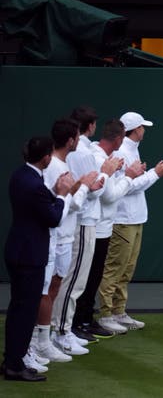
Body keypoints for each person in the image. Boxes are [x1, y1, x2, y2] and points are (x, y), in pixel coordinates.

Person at [97, 111, 163, 332]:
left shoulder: (132, 149)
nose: (145, 130)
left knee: (127, 269)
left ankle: (118, 311)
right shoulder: (122, 152)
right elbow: (126, 186)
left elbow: (133, 182)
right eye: (142, 127)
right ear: (135, 130)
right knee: (114, 268)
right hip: (122, 219)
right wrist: (156, 173)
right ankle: (105, 315)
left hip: (135, 217)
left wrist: (150, 173)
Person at [2, 136, 72, 381]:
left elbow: (38, 204)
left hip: (19, 251)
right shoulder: (32, 184)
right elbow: (53, 218)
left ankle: (12, 359)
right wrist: (62, 194)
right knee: (25, 310)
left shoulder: (21, 176)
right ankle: (14, 364)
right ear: (45, 158)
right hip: (29, 256)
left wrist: (53, 192)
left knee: (18, 308)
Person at [31, 118, 100, 366]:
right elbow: (67, 204)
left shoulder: (60, 164)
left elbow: (66, 198)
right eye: (77, 138)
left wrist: (81, 186)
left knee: (53, 287)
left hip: (62, 237)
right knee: (44, 292)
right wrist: (85, 187)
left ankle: (43, 340)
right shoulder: (55, 167)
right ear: (72, 140)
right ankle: (37, 343)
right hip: (56, 237)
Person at [73, 119, 145, 339]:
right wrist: (130, 177)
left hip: (101, 225)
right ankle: (78, 324)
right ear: (118, 138)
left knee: (93, 278)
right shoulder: (98, 157)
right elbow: (108, 194)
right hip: (94, 225)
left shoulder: (107, 157)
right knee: (83, 280)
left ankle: (86, 320)